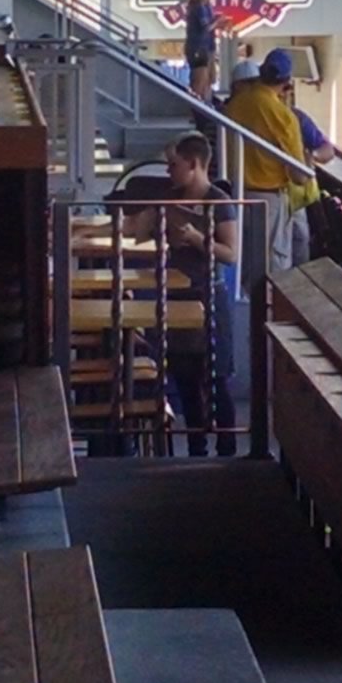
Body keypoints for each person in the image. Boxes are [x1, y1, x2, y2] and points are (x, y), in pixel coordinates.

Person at [109, 132, 238, 456]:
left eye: (174, 165)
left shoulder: (219, 202)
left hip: (208, 294)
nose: (169, 171)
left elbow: (229, 253)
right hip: (175, 296)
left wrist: (196, 238)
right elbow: (133, 229)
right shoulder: (168, 199)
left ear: (194, 165)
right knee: (184, 376)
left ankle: (228, 446)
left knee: (215, 377)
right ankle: (196, 446)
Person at [222, 48, 310, 276]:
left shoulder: (236, 105)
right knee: (274, 268)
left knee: (245, 268)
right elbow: (299, 176)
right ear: (286, 82)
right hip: (269, 199)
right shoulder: (283, 116)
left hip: (238, 194)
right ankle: (270, 312)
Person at [282, 63, 334, 267]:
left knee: (300, 243)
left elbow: (327, 150)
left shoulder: (298, 118)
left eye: (287, 88)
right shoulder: (258, 116)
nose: (283, 93)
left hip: (298, 199)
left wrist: (310, 155)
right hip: (268, 193)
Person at [183, 0, 219, 100]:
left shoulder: (207, 5)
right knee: (199, 81)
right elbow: (205, 27)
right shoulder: (198, 6)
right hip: (198, 48)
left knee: (209, 79)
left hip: (207, 47)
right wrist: (218, 22)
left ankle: (205, 107)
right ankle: (197, 110)